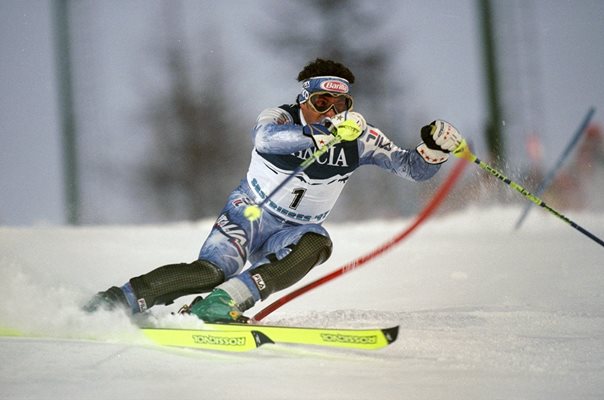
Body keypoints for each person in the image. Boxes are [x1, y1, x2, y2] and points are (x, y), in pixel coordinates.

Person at [84, 58, 463, 322]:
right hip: (248, 214)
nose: (331, 112)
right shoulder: (281, 117)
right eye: (321, 102)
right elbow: (265, 140)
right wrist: (319, 133)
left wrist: (435, 149)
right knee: (212, 271)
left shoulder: (361, 138)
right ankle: (115, 302)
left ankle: (217, 307)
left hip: (293, 229)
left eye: (341, 104)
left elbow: (412, 169)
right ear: (304, 99)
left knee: (317, 244)